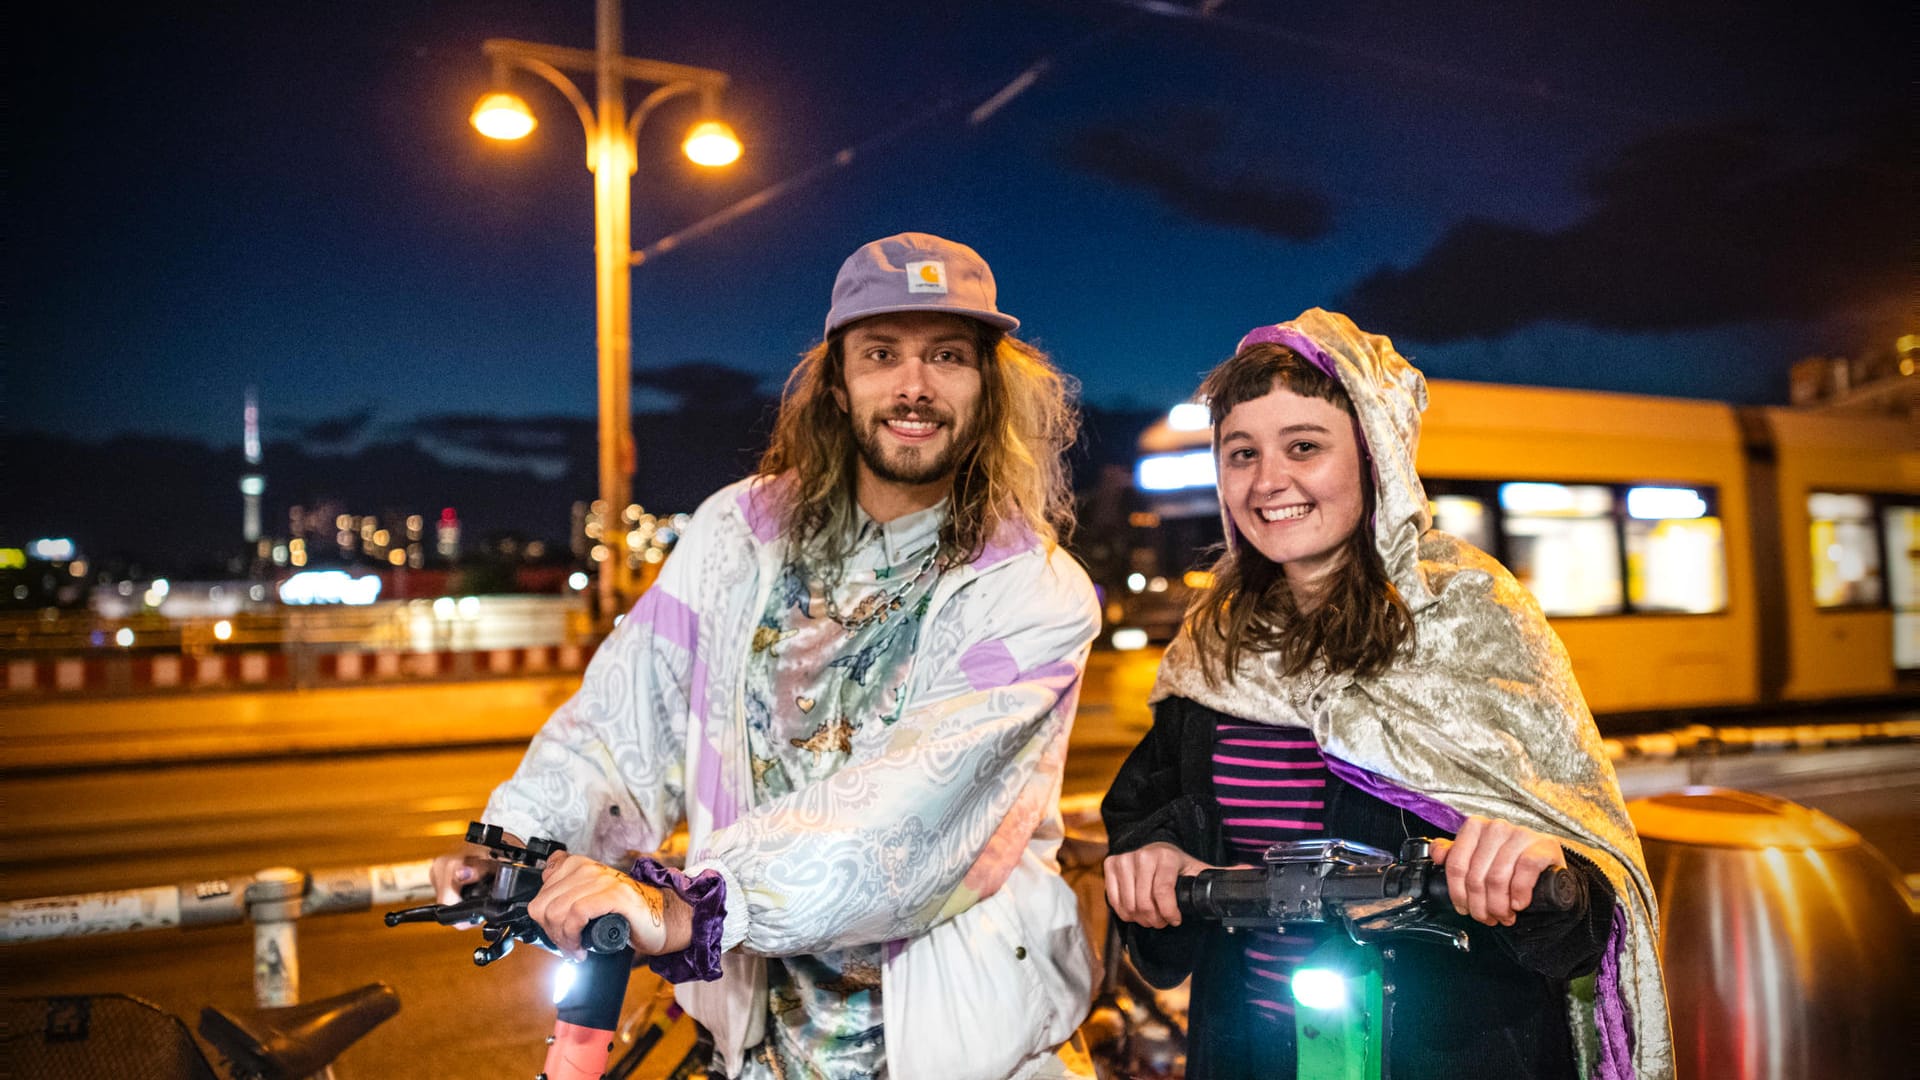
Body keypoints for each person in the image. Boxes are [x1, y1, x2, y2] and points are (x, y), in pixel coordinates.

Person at [433, 233, 1101, 1079]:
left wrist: (694, 904)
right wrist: (521, 842)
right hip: (757, 1038)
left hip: (961, 1038)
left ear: (988, 384)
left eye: (947, 357)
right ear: (836, 380)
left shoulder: (1031, 587)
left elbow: (908, 811)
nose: (914, 386)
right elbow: (627, 713)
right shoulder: (738, 534)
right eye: (881, 354)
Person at [1100, 310, 1672, 1079]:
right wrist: (1150, 860)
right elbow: (1148, 812)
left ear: (1376, 457)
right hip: (1252, 1052)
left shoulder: (1471, 614)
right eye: (1241, 454)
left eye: (1304, 446)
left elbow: (1586, 894)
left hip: (1451, 1053)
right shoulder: (1214, 642)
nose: (1269, 481)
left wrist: (1547, 872)